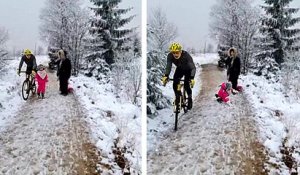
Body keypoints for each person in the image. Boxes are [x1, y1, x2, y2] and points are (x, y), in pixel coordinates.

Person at [162, 42, 196, 110]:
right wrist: (166, 75)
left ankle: (190, 98)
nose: (175, 54)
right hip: (180, 69)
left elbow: (193, 68)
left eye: (177, 52)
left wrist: (192, 78)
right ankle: (178, 96)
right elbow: (168, 66)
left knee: (186, 85)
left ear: (180, 51)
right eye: (173, 52)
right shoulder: (170, 56)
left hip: (189, 70)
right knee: (175, 83)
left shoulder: (186, 56)